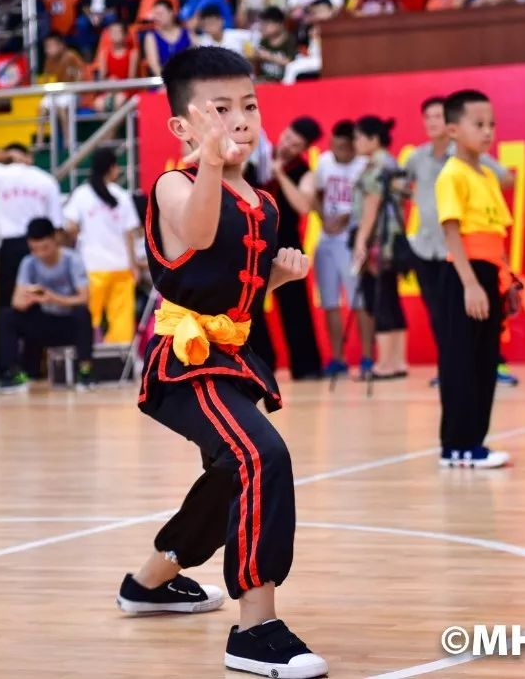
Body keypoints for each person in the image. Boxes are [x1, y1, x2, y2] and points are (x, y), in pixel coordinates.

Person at [119, 47, 326, 679]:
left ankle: (149, 583)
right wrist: (209, 164)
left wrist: (277, 285)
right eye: (219, 109)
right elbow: (199, 237)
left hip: (232, 354)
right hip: (185, 360)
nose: (239, 120)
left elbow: (234, 289)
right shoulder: (175, 183)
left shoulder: (261, 199)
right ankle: (255, 628)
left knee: (232, 468)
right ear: (183, 127)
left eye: (249, 106)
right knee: (261, 456)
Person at [403, 97, 512, 373]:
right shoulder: (418, 157)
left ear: (451, 125)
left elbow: (505, 177)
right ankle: (449, 371)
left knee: (471, 320)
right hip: (426, 246)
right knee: (439, 315)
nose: (432, 122)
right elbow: (402, 184)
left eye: (437, 116)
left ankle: (476, 369)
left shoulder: (468, 159)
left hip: (459, 251)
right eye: (427, 117)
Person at [434, 89, 513, 468]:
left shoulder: (487, 174)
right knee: (462, 361)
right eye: (478, 124)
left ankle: (474, 442)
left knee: (485, 362)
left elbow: (497, 233)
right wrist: (470, 284)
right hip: (466, 274)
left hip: (490, 271)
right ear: (452, 129)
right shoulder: (453, 174)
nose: (487, 132)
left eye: (491, 124)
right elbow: (452, 232)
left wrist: (507, 279)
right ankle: (457, 445)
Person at [247, 117, 325, 380]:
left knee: (295, 306)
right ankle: (261, 364)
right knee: (249, 304)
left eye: (297, 144)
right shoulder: (255, 156)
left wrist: (279, 172)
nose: (289, 144)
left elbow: (303, 206)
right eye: (289, 136)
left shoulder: (303, 171)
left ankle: (307, 367)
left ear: (304, 148)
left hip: (287, 243)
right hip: (252, 241)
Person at [0, 218, 95, 390]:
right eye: (35, 249)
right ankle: (10, 373)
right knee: (6, 317)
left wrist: (53, 298)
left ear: (55, 239)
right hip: (42, 321)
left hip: (66, 322)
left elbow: (83, 297)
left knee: (83, 313)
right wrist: (31, 298)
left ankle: (84, 371)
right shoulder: (28, 262)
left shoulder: (72, 259)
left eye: (45, 248)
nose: (41, 254)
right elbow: (16, 302)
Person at [0, 142, 65, 328]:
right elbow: (56, 225)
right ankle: (30, 355)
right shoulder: (45, 179)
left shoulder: (2, 174)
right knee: (35, 301)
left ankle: (4, 355)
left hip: (13, 247)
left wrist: (5, 156)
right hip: (39, 248)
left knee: (6, 303)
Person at [63, 147, 142, 344]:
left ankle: (88, 362)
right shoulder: (122, 196)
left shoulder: (82, 194)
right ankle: (121, 361)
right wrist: (133, 265)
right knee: (121, 319)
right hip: (121, 267)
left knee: (91, 318)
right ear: (113, 168)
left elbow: (69, 226)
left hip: (92, 268)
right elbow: (129, 233)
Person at [350, 115, 409, 380]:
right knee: (391, 299)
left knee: (380, 301)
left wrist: (361, 242)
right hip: (392, 240)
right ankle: (398, 361)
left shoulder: (376, 167)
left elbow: (371, 207)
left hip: (377, 243)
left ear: (373, 139)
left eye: (359, 137)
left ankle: (384, 364)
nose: (356, 142)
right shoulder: (392, 163)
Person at [311, 121, 372, 376]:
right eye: (335, 145)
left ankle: (368, 357)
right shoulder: (324, 162)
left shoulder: (363, 165)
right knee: (329, 302)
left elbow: (370, 202)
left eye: (345, 147)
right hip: (327, 239)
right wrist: (323, 217)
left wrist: (347, 219)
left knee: (359, 300)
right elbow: (315, 194)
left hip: (352, 240)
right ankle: (338, 358)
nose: (339, 151)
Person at [143, 0, 193, 76]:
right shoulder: (151, 36)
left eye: (160, 14)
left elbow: (196, 58)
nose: (157, 18)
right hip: (164, 81)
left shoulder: (187, 32)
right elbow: (154, 66)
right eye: (155, 14)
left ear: (171, 13)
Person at [253, 7, 296, 82]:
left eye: (267, 23)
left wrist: (269, 56)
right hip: (264, 80)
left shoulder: (290, 40)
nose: (263, 27)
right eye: (262, 23)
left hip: (284, 82)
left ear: (280, 24)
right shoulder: (264, 41)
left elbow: (291, 64)